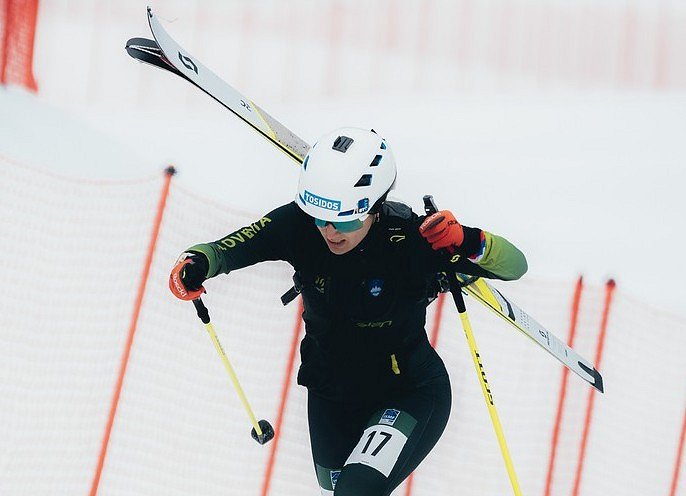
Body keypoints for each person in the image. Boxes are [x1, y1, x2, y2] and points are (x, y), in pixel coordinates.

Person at [169, 127, 527, 496]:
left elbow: (516, 266)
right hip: (330, 390)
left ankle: (440, 277)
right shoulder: (300, 226)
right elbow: (230, 248)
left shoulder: (409, 239)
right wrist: (198, 262)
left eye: (344, 220)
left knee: (355, 491)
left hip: (408, 390)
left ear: (373, 208)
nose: (329, 231)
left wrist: (467, 240)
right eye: (320, 217)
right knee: (335, 487)